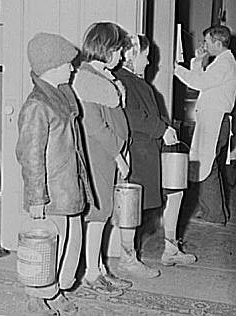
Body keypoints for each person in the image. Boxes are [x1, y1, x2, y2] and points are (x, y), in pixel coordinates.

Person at [16, 32, 93, 315]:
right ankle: (37, 297)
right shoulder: (37, 105)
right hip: (51, 194)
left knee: (72, 244)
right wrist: (37, 198)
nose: (72, 68)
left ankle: (56, 288)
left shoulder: (61, 96)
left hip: (69, 187)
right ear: (51, 66)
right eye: (67, 63)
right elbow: (30, 157)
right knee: (48, 249)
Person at [114, 33, 196, 270]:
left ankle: (171, 248)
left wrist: (167, 129)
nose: (149, 62)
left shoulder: (139, 82)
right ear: (131, 55)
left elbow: (152, 114)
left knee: (176, 190)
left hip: (154, 151)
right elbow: (131, 116)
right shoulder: (121, 81)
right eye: (146, 57)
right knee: (131, 204)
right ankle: (127, 258)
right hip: (138, 154)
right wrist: (161, 129)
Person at [72, 22, 133, 297]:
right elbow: (96, 127)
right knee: (98, 215)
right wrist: (118, 155)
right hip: (99, 156)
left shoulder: (101, 76)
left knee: (103, 214)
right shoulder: (88, 79)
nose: (121, 56)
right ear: (105, 49)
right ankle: (92, 274)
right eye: (118, 50)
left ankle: (99, 267)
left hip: (105, 157)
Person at [174, 25, 236, 225]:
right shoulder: (221, 62)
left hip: (216, 121)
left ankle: (215, 215)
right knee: (206, 165)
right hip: (212, 120)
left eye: (207, 42)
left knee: (207, 166)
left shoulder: (225, 63)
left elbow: (199, 83)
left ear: (218, 43)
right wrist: (198, 60)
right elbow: (200, 79)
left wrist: (174, 68)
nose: (204, 45)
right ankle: (212, 211)